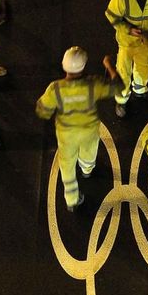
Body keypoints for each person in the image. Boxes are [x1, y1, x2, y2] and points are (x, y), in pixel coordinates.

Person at [35, 48, 124, 212]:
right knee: (89, 153)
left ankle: (72, 200)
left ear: (64, 66)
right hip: (89, 131)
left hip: (66, 135)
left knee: (67, 165)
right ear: (84, 66)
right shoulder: (93, 84)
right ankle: (87, 170)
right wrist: (109, 65)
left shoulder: (55, 89)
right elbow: (118, 87)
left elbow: (43, 111)